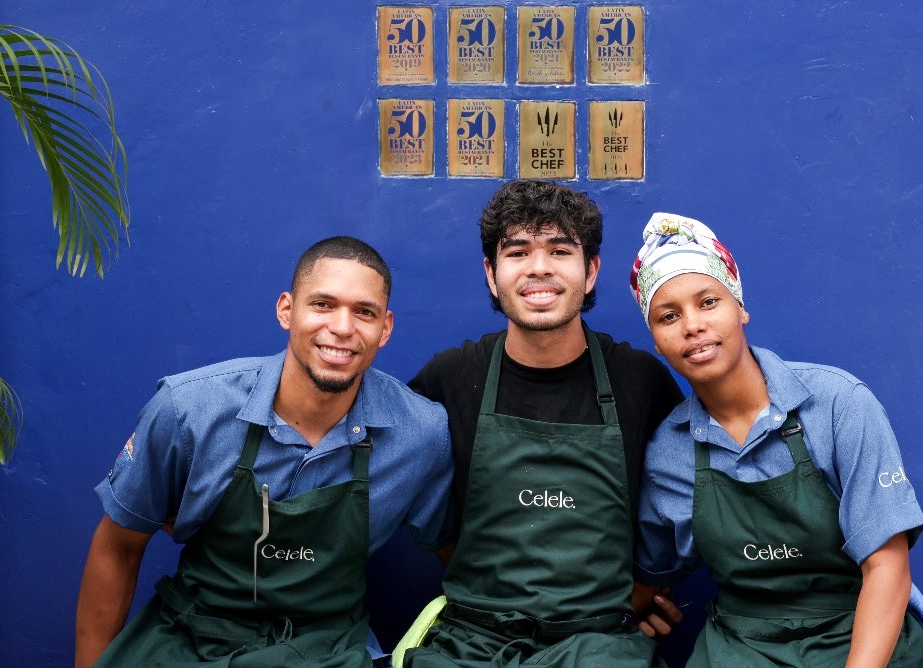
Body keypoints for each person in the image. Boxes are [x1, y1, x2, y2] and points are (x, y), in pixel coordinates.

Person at [75, 236, 453, 668]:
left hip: (327, 649)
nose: (343, 328)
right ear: (286, 310)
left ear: (384, 328)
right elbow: (118, 548)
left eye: (363, 312)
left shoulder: (420, 433)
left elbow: (457, 556)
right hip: (191, 638)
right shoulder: (190, 410)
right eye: (323, 304)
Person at [629, 212, 923, 667]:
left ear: (740, 307)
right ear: (656, 341)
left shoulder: (837, 404)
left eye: (708, 302)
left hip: (860, 637)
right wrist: (629, 613)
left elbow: (887, 567)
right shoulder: (670, 451)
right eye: (668, 316)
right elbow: (650, 576)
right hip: (742, 647)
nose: (692, 325)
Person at [405, 180, 686, 667]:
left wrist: (635, 603)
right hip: (469, 643)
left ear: (591, 270)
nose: (539, 267)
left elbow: (682, 504)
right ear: (492, 275)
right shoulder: (451, 379)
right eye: (517, 252)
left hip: (600, 649)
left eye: (560, 250)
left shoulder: (640, 381)